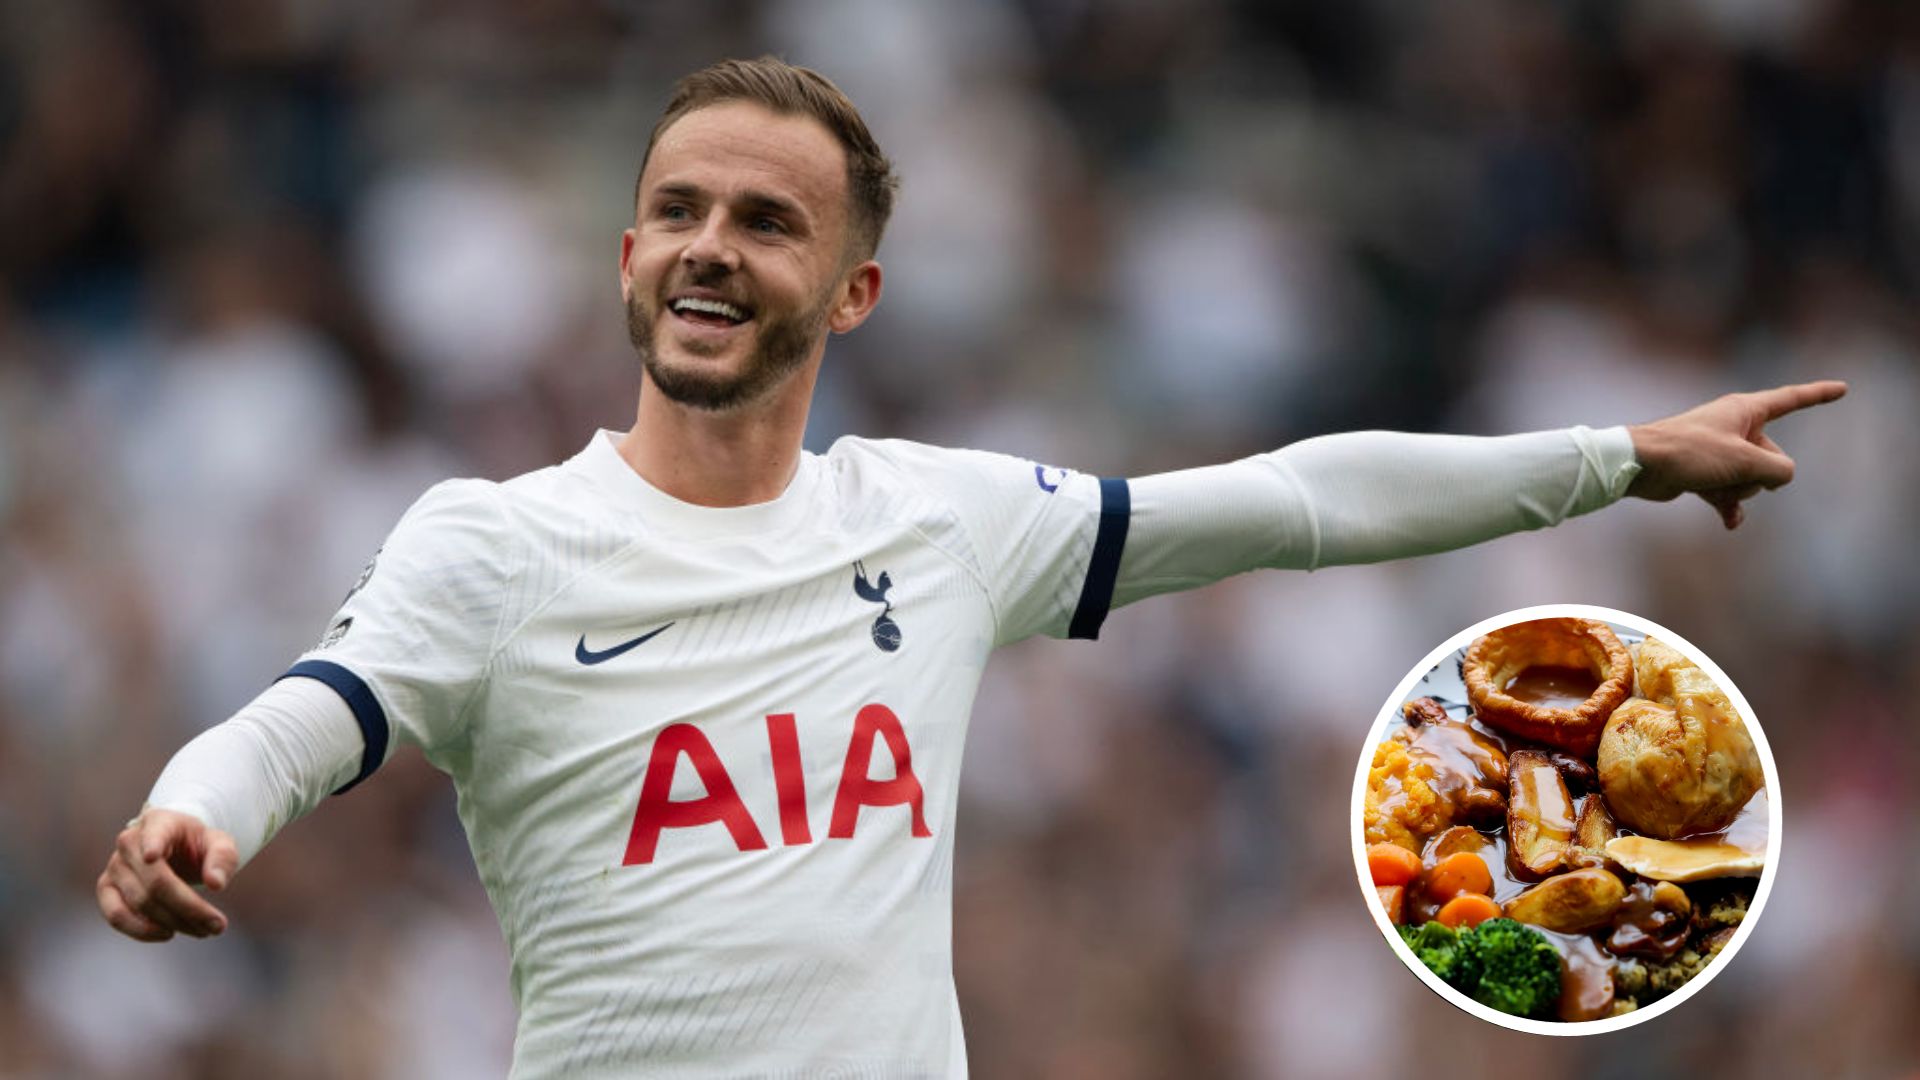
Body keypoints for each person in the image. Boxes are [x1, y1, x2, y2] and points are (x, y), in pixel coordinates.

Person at [96, 56, 1844, 1077]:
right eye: (685, 211)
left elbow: (1296, 500)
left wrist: (1620, 459)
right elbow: (305, 720)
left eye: (768, 220)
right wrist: (199, 815)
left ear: (853, 292)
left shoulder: (934, 522)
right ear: (626, 257)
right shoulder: (494, 541)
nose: (714, 246)